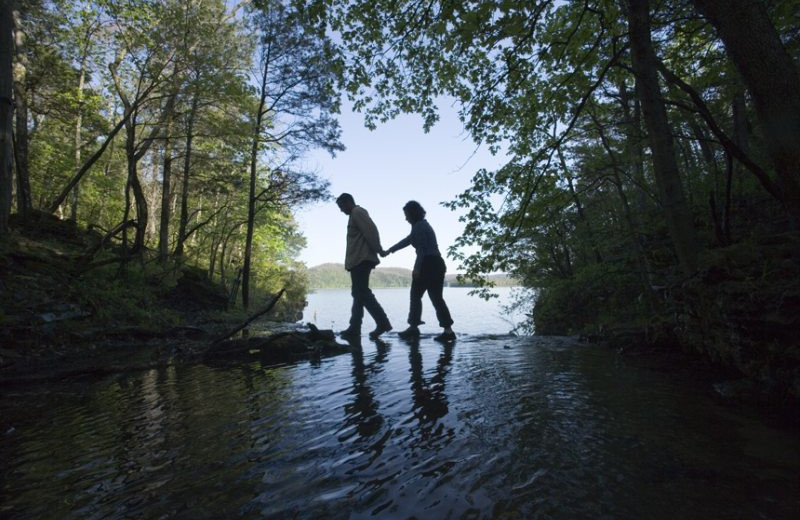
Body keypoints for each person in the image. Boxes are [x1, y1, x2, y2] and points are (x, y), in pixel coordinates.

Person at [381, 200, 455, 342]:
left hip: (429, 264)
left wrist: (416, 268)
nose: (405, 218)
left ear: (412, 214)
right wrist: (391, 250)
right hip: (435, 264)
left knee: (417, 296)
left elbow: (421, 249)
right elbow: (408, 240)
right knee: (434, 298)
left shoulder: (420, 227)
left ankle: (415, 328)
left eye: (407, 215)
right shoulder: (420, 225)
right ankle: (446, 330)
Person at [336, 193, 393, 340]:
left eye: (341, 206)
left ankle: (383, 323)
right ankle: (355, 327)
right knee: (358, 294)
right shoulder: (354, 214)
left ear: (348, 202)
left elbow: (371, 231)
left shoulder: (357, 212)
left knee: (362, 292)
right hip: (357, 261)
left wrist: (379, 250)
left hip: (362, 260)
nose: (341, 210)